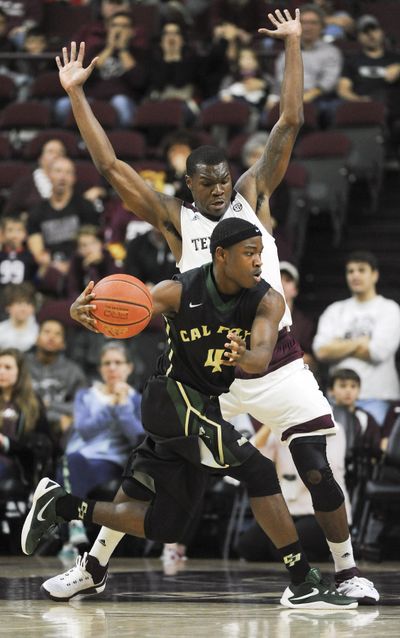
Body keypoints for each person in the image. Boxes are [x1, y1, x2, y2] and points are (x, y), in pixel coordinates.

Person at [51, 8, 378, 603]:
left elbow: (291, 119)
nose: (223, 189)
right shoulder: (177, 222)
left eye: (226, 179)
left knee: (313, 463)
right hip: (208, 372)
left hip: (274, 359)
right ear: (190, 184)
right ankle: (93, 566)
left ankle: (347, 571)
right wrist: (77, 94)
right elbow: (109, 165)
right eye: (210, 184)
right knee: (149, 475)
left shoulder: (253, 195)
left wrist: (295, 44)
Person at [22, 218, 357, 610]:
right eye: (250, 254)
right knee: (259, 470)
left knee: (164, 522)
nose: (258, 262)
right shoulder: (180, 290)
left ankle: (60, 508)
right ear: (221, 255)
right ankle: (302, 581)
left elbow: (262, 354)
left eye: (261, 254)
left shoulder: (267, 299)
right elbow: (126, 308)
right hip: (171, 397)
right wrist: (87, 312)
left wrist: (244, 357)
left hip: (204, 405)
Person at [57, 340, 144, 558]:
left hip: (111, 462)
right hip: (80, 458)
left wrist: (122, 406)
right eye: (107, 363)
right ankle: (74, 527)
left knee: (68, 467)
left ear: (129, 367)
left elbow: (137, 436)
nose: (112, 368)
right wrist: (109, 407)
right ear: (100, 369)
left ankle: (71, 533)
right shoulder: (86, 395)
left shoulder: (136, 399)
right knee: (72, 460)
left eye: (117, 362)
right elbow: (85, 430)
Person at [313, 250, 400, 426]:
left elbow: (377, 352)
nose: (355, 275)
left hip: (378, 398)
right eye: (350, 271)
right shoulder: (335, 310)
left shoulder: (390, 309)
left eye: (361, 270)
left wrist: (337, 345)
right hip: (336, 401)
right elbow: (321, 351)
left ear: (374, 275)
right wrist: (361, 342)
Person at [56, 10, 147, 128]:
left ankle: (123, 139)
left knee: (121, 103)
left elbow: (139, 81)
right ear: (108, 29)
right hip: (92, 96)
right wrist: (109, 48)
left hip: (122, 97)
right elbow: (85, 76)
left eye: (124, 26)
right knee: (62, 105)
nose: (118, 30)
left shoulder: (140, 52)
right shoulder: (95, 49)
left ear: (132, 31)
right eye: (115, 25)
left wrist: (123, 50)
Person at [265, 3, 342, 128]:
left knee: (329, 110)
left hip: (319, 99)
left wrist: (305, 97)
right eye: (304, 23)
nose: (307, 27)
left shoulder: (331, 52)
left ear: (322, 27)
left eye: (313, 23)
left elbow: (328, 82)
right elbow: (280, 81)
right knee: (266, 113)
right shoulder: (285, 53)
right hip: (289, 99)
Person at [27, 156, 99, 277]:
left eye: (68, 172)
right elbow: (38, 252)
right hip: (49, 268)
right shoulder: (37, 211)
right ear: (49, 176)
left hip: (80, 267)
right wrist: (52, 265)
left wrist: (71, 266)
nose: (62, 177)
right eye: (58, 171)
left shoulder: (85, 207)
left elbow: (91, 243)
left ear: (73, 178)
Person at [25, 319, 87, 453]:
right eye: (47, 332)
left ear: (63, 344)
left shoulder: (73, 371)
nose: (51, 337)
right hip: (24, 420)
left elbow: (82, 405)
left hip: (57, 427)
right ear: (36, 338)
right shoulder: (22, 365)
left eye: (57, 334)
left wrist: (50, 405)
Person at [0, 347, 52, 484]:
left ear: (20, 372)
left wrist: (6, 443)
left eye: (7, 367)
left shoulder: (33, 402)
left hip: (19, 464)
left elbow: (43, 443)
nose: (1, 372)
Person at [3, 138, 66, 216]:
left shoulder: (71, 183)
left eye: (61, 152)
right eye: (51, 151)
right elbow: (9, 214)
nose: (56, 155)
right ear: (40, 159)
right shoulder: (24, 184)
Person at [279, 261, 317, 373]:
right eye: (278, 278)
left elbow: (311, 360)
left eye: (288, 280)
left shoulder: (305, 324)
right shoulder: (256, 316)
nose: (282, 284)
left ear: (295, 290)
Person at [0, 282, 39, 352]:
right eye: (19, 303)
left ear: (33, 307)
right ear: (8, 307)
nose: (23, 308)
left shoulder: (40, 331)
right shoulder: (1, 330)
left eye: (28, 303)